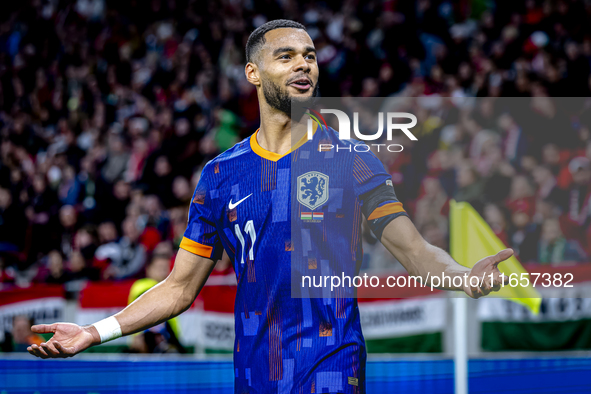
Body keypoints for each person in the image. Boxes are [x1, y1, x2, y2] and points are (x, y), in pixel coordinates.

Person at [28, 20, 512, 394]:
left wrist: (463, 277)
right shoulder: (220, 175)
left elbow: (415, 250)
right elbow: (177, 289)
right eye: (287, 56)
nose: (304, 65)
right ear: (254, 73)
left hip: (333, 367)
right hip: (254, 372)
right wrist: (93, 332)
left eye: (310, 56)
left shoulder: (352, 159)